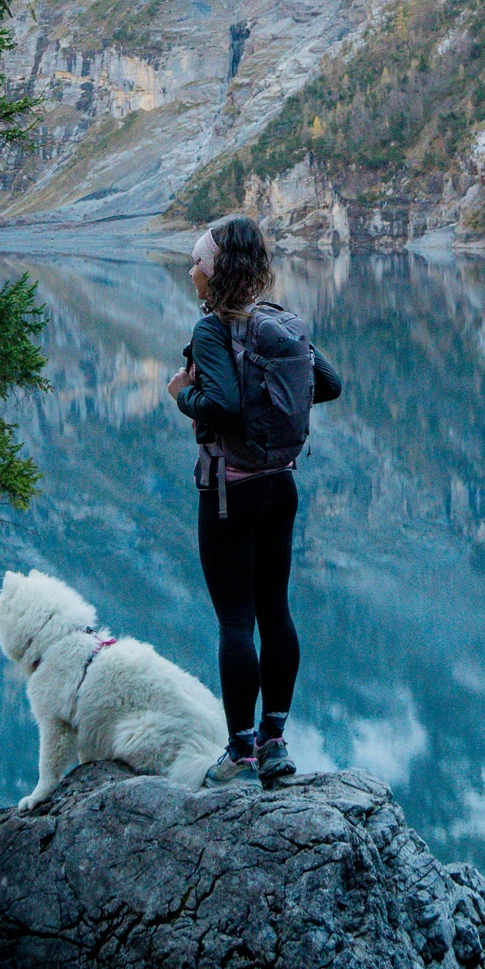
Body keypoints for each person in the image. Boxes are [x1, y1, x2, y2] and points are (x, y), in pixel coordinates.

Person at [167, 216, 341, 789]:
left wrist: (181, 394)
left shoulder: (215, 330)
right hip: (280, 485)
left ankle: (240, 755)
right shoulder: (279, 323)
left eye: (197, 261)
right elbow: (331, 383)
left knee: (236, 622)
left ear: (215, 271)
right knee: (276, 611)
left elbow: (219, 407)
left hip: (229, 492)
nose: (191, 270)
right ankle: (275, 743)